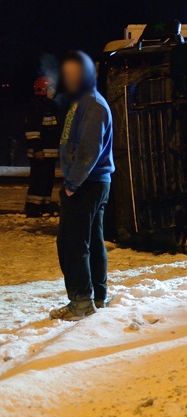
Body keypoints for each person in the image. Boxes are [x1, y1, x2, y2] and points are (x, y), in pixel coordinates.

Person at [50, 52, 115, 321]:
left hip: (87, 183)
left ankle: (81, 302)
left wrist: (72, 184)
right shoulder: (84, 102)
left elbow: (90, 148)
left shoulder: (92, 104)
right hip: (91, 182)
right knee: (90, 242)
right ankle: (96, 296)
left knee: (72, 244)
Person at [24, 76, 63, 217]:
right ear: (42, 90)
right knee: (38, 181)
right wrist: (37, 149)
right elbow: (32, 131)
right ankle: (33, 208)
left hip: (49, 153)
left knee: (47, 180)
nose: (53, 91)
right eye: (50, 88)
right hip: (40, 153)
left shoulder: (50, 105)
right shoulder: (37, 106)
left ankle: (44, 204)